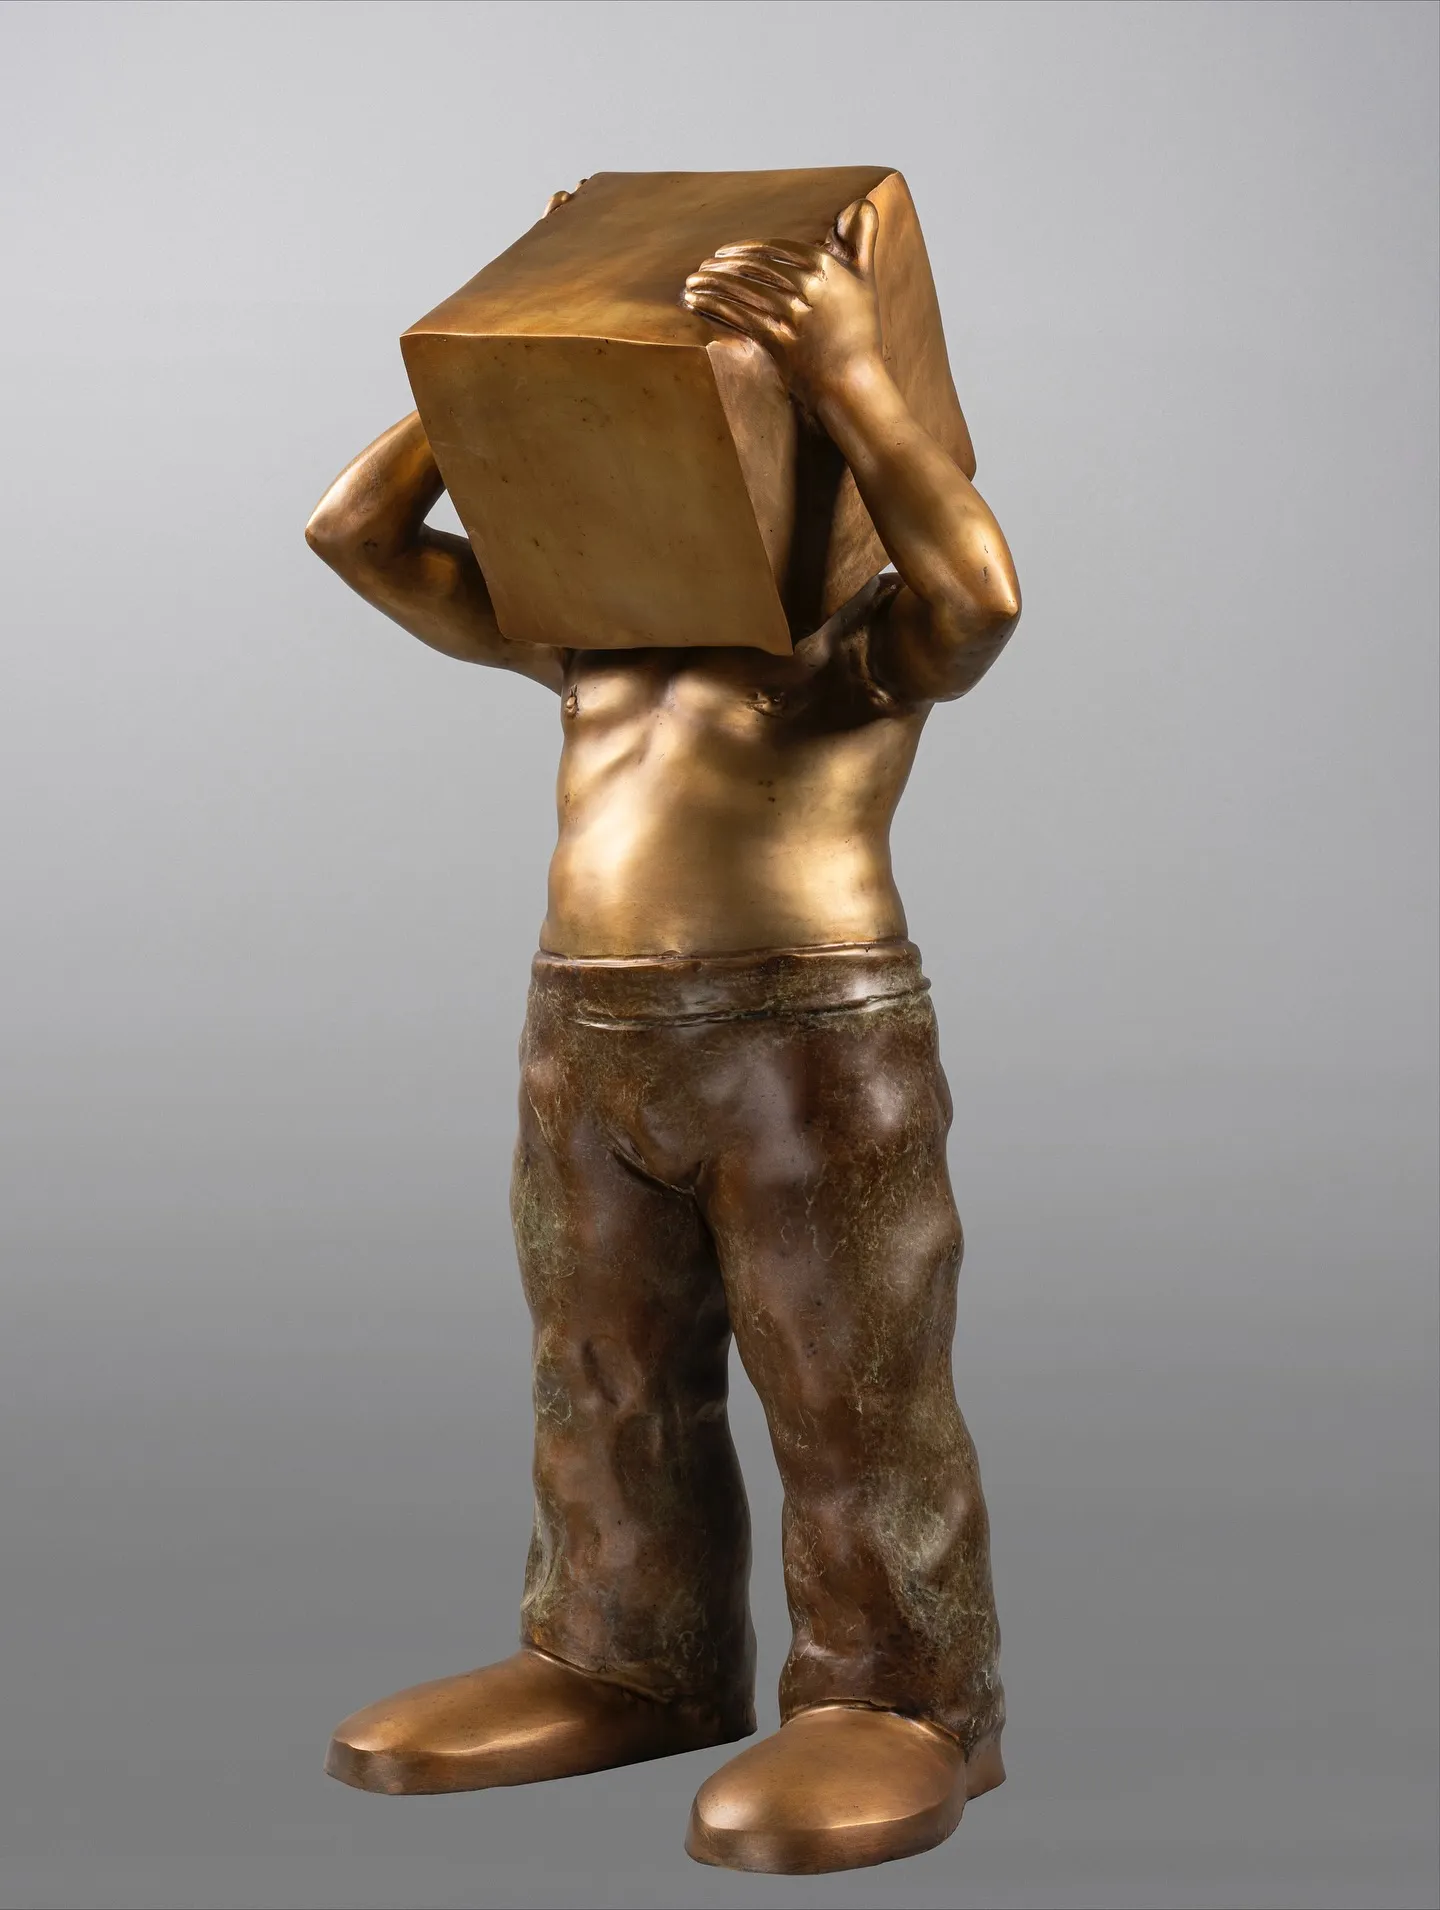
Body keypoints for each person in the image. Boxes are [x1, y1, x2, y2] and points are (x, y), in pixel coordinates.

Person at [305, 194, 1021, 1875]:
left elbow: (983, 598)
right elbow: (356, 532)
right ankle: (625, 1652)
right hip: (588, 1029)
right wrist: (503, 365)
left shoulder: (858, 642)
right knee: (600, 1374)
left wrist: (852, 374)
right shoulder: (597, 628)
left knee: (849, 1383)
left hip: (803, 1036)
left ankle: (906, 1692)